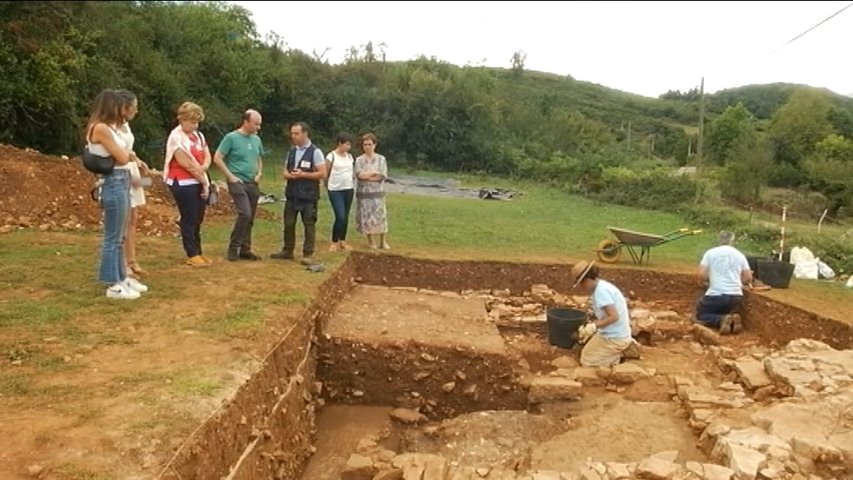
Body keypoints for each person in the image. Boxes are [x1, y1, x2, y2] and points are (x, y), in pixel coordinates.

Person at [85, 89, 148, 299]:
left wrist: (129, 155)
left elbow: (126, 154)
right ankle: (112, 283)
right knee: (113, 237)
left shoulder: (111, 129)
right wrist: (128, 155)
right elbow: (122, 157)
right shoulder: (101, 128)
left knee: (119, 236)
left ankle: (122, 277)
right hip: (114, 182)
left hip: (122, 180)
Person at [163, 102, 212, 266]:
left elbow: (206, 154)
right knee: (189, 217)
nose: (194, 125)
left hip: (199, 178)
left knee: (198, 217)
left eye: (197, 122)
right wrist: (202, 178)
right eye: (191, 122)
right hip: (183, 182)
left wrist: (204, 167)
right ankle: (191, 252)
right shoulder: (176, 137)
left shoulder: (198, 135)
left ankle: (198, 251)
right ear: (182, 120)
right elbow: (185, 163)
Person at [271, 121, 326, 265]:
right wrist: (288, 175)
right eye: (292, 133)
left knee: (308, 224)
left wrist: (303, 174)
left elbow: (322, 173)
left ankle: (308, 253)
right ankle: (287, 250)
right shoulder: (292, 151)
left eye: (296, 133)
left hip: (308, 196)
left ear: (305, 134)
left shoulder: (315, 152)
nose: (293, 136)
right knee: (289, 223)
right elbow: (284, 169)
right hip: (292, 194)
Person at [213, 109, 264, 262]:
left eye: (259, 124)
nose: (258, 128)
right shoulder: (231, 138)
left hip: (252, 182)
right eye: (256, 124)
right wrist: (231, 176)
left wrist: (259, 172)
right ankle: (233, 247)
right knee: (245, 213)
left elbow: (259, 158)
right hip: (237, 182)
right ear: (246, 122)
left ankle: (245, 249)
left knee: (251, 217)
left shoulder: (256, 140)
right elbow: (217, 158)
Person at [114, 89, 153, 276]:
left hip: (132, 171)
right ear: (124, 108)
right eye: (134, 107)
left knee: (134, 216)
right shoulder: (110, 127)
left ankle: (132, 260)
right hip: (119, 173)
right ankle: (122, 263)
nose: (136, 111)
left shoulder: (126, 126)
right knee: (123, 218)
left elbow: (129, 149)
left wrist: (138, 161)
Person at [571, 260, 634, 367]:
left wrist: (593, 326)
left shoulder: (601, 292)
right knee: (587, 353)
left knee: (588, 362)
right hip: (611, 333)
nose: (582, 287)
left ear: (587, 279)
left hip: (615, 337)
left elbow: (614, 316)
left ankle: (615, 361)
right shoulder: (602, 286)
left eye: (582, 283)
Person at [694, 231, 752, 334]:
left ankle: (720, 320)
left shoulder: (710, 253)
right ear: (732, 241)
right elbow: (748, 277)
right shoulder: (740, 255)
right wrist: (738, 282)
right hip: (736, 296)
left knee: (701, 315)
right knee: (723, 309)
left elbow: (701, 275)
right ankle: (730, 319)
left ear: (719, 240)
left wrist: (706, 283)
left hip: (717, 294)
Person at [355, 133, 390, 249]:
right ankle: (371, 241)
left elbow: (382, 175)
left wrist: (369, 176)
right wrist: (372, 174)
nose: (367, 147)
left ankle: (383, 241)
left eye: (369, 144)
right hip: (364, 194)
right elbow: (359, 174)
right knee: (366, 217)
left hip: (378, 194)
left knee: (381, 216)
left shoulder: (381, 159)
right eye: (365, 144)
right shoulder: (359, 160)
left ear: (374, 145)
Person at [325, 133, 356, 252]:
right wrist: (327, 186)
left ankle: (342, 240)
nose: (348, 147)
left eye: (350, 144)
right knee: (340, 216)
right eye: (346, 144)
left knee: (346, 216)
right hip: (335, 190)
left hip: (348, 189)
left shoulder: (350, 157)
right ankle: (334, 241)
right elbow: (325, 173)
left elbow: (351, 171)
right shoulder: (331, 156)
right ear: (340, 143)